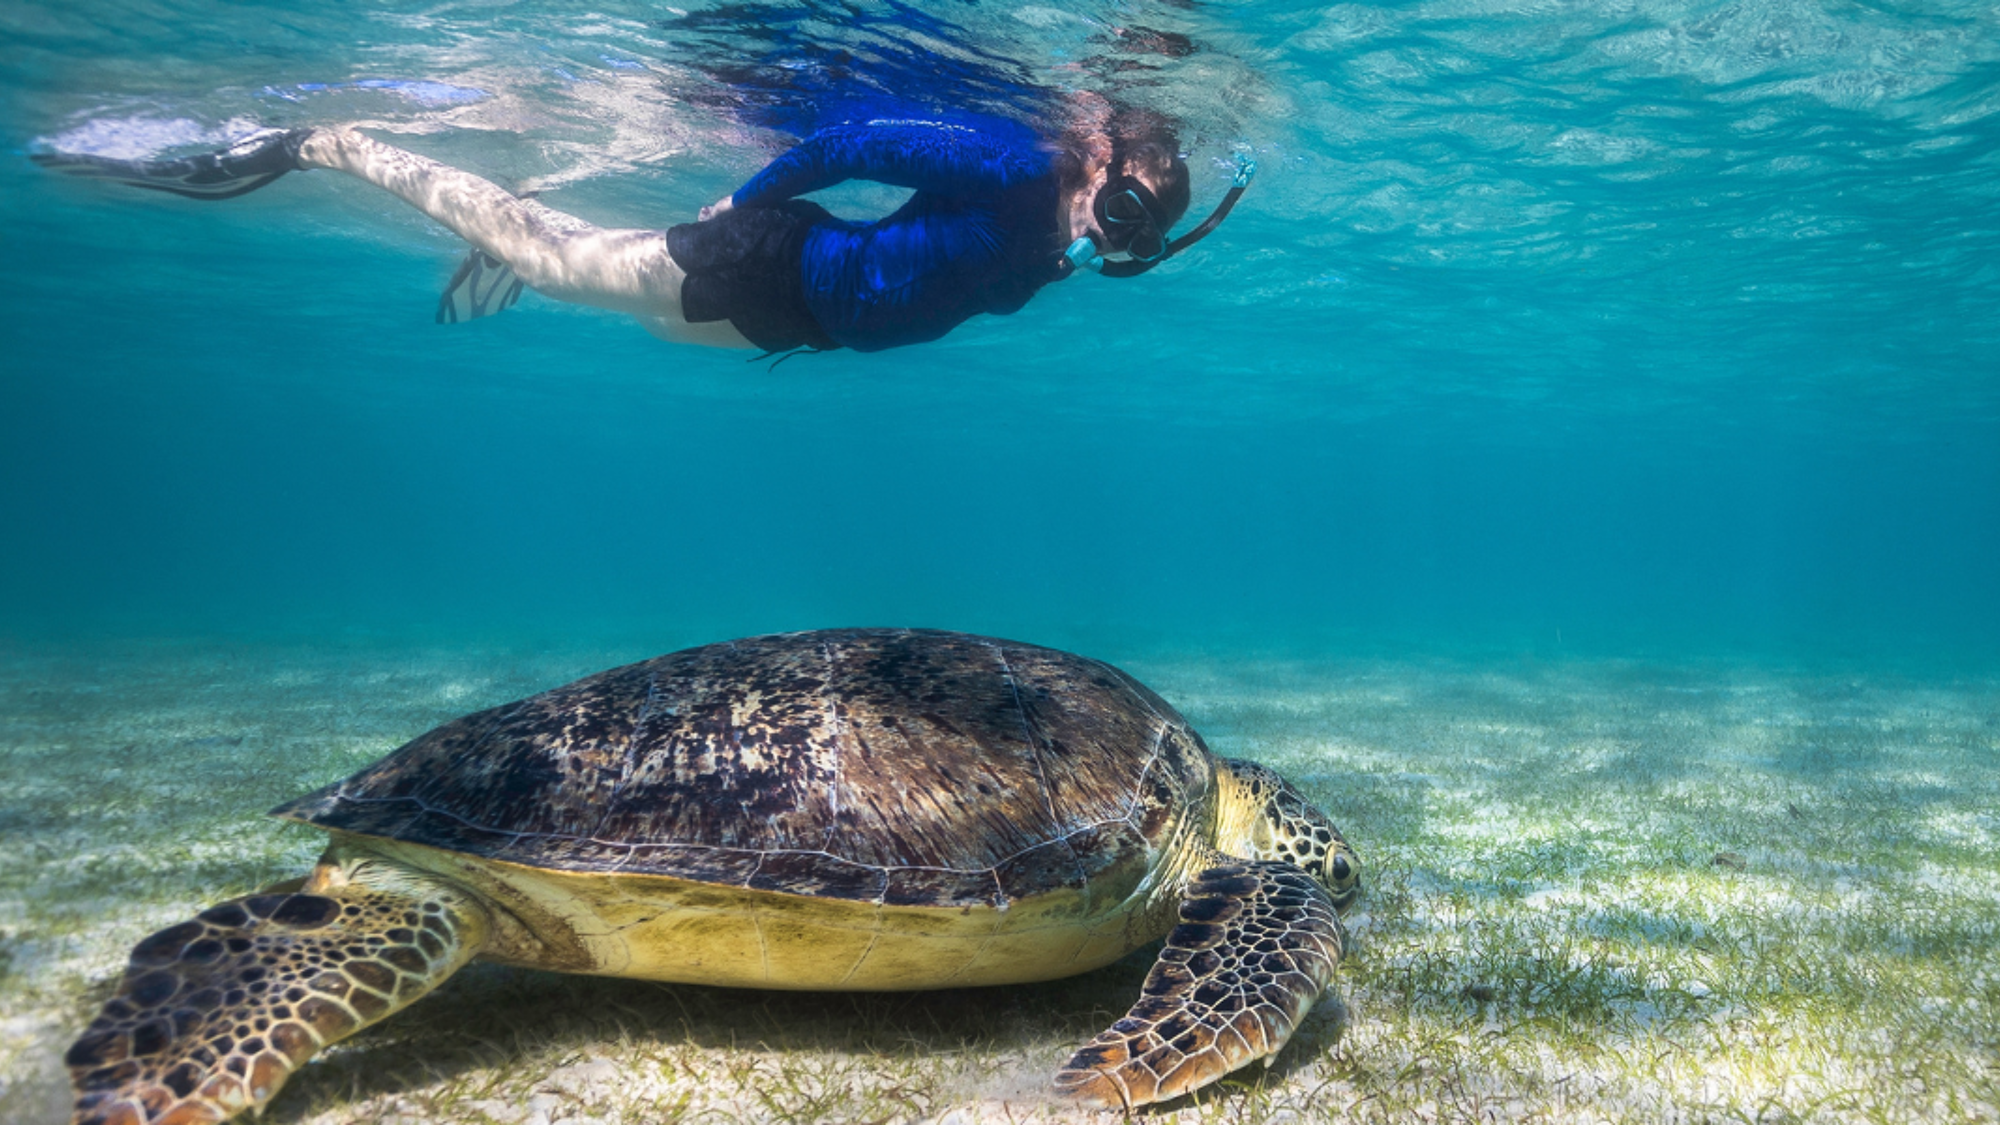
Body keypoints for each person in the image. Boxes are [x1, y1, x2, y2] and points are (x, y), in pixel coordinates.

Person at [33, 104, 1253, 356]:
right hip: (766, 265)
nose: (1117, 239)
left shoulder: (1068, 234)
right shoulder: (1004, 164)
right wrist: (746, 197)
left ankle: (513, 252)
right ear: (1097, 156)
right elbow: (855, 139)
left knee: (568, 274)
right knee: (546, 260)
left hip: (787, 322)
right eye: (1122, 208)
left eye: (1138, 238)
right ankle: (318, 142)